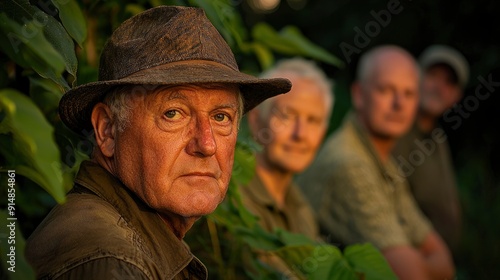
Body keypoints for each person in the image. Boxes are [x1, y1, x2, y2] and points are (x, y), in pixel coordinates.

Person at [25, 6, 291, 279]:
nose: (207, 144)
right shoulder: (112, 263)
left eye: (221, 116)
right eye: (173, 114)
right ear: (107, 130)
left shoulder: (123, 242)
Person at [297, 45, 455, 280]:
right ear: (359, 95)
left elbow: (445, 262)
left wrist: (421, 264)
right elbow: (411, 275)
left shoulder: (382, 158)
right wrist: (422, 263)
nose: (399, 104)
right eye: (386, 90)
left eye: (409, 93)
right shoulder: (349, 163)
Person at [241, 58, 333, 240]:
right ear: (255, 121)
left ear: (323, 133)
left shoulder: (302, 207)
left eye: (313, 121)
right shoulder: (232, 198)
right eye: (287, 116)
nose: (300, 134)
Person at [393, 45, 468, 251]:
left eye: (449, 82)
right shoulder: (393, 126)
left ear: (456, 97)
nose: (438, 87)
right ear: (414, 76)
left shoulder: (438, 138)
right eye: (433, 75)